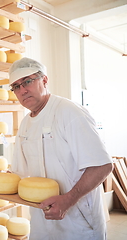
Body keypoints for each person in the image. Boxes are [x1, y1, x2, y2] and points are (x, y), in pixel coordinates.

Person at [8, 57, 113, 239]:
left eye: (28, 81)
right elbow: (18, 173)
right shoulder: (25, 124)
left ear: (45, 80)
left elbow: (102, 165)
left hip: (79, 223)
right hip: (42, 222)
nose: (23, 90)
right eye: (16, 86)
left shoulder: (69, 112)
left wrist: (68, 199)